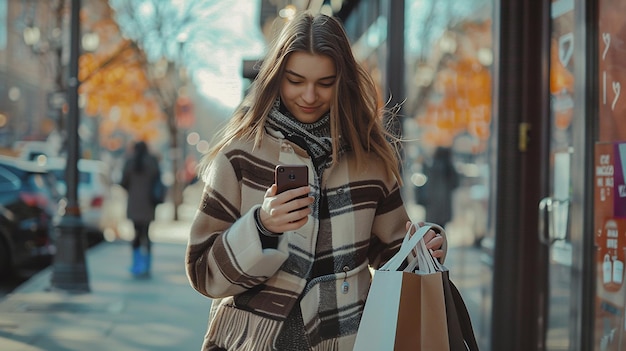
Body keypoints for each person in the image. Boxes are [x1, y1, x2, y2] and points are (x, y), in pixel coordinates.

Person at [185, 11, 447, 351]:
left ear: (343, 81)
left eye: (325, 83)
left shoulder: (370, 162)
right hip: (250, 341)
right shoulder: (240, 156)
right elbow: (203, 272)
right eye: (296, 80)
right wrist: (262, 227)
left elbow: (391, 256)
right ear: (277, 77)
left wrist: (421, 250)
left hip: (349, 340)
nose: (309, 95)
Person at [120, 140, 161, 278]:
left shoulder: (130, 162)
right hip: (148, 204)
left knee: (136, 234)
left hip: (134, 204)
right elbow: (158, 180)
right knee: (146, 234)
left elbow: (123, 182)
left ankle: (136, 265)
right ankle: (147, 265)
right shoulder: (152, 162)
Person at [423, 146, 459, 227]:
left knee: (431, 229)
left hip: (432, 204)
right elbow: (455, 184)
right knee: (441, 230)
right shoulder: (448, 167)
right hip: (443, 206)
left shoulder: (432, 166)